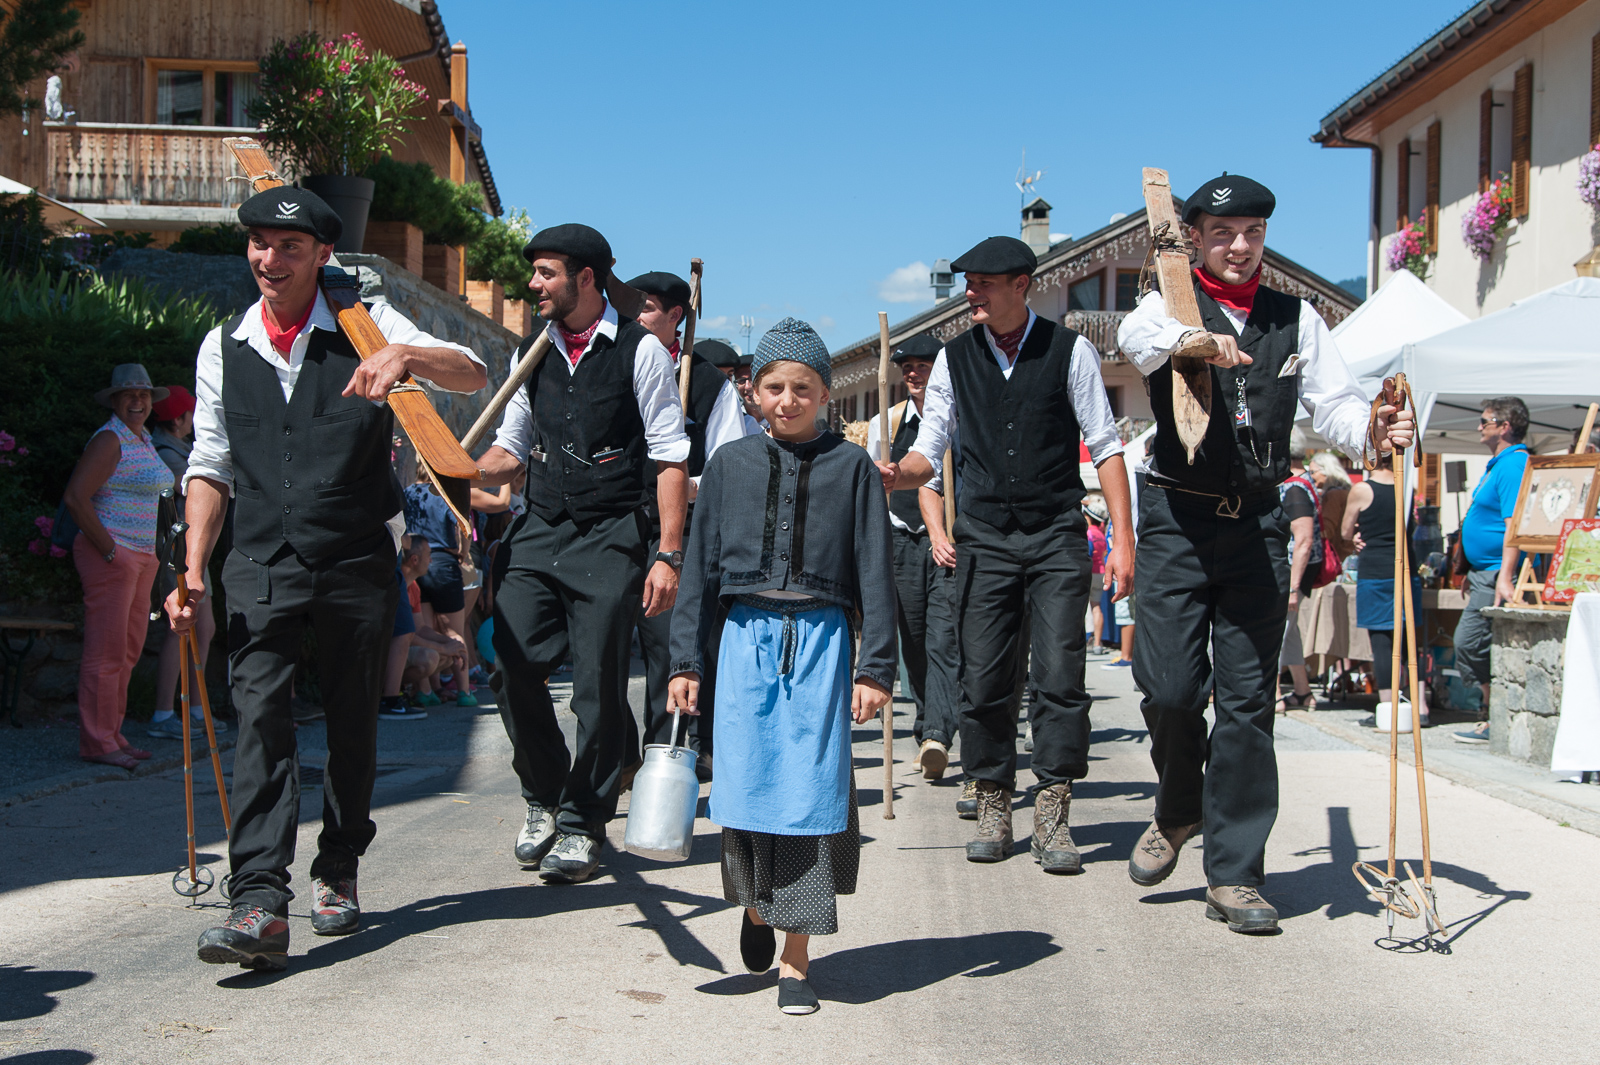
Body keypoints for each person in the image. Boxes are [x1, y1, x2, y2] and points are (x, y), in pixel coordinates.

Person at [166, 187, 486, 971]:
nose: (268, 261)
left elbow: (473, 371)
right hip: (260, 559)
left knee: (351, 723)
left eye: (287, 248)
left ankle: (338, 866)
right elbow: (210, 464)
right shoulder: (225, 345)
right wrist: (194, 567)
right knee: (262, 718)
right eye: (258, 246)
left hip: (351, 558)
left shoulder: (367, 327)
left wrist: (404, 355)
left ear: (319, 256)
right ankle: (259, 899)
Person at [1116, 173, 1413, 934]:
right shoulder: (1166, 301)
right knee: (1173, 688)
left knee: (1250, 703)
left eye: (1252, 232)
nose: (1241, 246)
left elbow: (1338, 405)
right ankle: (1180, 803)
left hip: (1257, 523)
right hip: (1177, 519)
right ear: (1193, 238)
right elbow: (1136, 339)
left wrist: (1375, 432)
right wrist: (1194, 338)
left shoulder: (1297, 317)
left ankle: (1236, 872)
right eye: (1223, 233)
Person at [880, 235, 1135, 874]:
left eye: (984, 283)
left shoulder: (1070, 351)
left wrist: (1125, 542)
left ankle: (1053, 809)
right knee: (986, 677)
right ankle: (994, 797)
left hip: (1054, 534)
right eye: (968, 282)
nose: (971, 293)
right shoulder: (953, 360)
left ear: (1021, 285)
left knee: (1057, 676)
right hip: (986, 538)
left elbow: (1105, 447)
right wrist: (893, 475)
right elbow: (928, 450)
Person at [667, 317, 895, 1016]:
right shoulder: (729, 467)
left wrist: (875, 669)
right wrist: (687, 660)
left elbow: (875, 570)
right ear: (753, 392)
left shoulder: (852, 468)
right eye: (774, 386)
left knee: (810, 794)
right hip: (743, 641)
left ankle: (797, 960)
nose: (788, 399)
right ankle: (757, 903)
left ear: (825, 393)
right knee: (745, 786)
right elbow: (698, 575)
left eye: (802, 387)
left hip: (822, 643)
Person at [476, 224, 690, 885]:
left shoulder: (641, 352)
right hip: (539, 525)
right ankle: (543, 793)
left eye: (546, 273)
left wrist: (668, 554)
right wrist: (454, 466)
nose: (533, 285)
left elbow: (669, 455)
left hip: (609, 530)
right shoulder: (531, 350)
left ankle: (582, 822)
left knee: (597, 688)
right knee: (510, 662)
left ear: (587, 278)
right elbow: (507, 454)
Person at [624, 273, 751, 782]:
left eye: (648, 308)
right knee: (605, 649)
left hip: (678, 530)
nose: (636, 316)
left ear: (677, 315)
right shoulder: (617, 361)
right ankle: (616, 756)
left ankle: (668, 753)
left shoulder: (707, 383)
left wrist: (680, 486)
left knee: (666, 641)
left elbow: (728, 464)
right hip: (614, 522)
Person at [63, 364, 170, 769]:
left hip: (139, 557)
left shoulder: (140, 439)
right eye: (129, 395)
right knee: (106, 653)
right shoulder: (110, 439)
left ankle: (113, 735)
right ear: (114, 400)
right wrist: (111, 551)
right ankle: (97, 742)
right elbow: (76, 497)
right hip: (113, 556)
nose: (138, 401)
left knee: (126, 651)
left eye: (144, 394)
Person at [865, 334, 960, 780]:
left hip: (949, 542)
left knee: (944, 637)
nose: (914, 373)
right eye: (908, 367)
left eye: (924, 365)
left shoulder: (955, 419)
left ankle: (939, 731)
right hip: (900, 539)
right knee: (915, 639)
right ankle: (927, 725)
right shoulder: (884, 424)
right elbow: (868, 490)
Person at [145, 385, 226, 741]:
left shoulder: (167, 448)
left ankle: (192, 710)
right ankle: (166, 713)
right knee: (184, 631)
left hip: (187, 551)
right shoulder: (170, 453)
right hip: (181, 553)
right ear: (179, 419)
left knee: (200, 630)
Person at [1452, 396, 1531, 744]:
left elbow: (1514, 523)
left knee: (1469, 643)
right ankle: (1491, 713)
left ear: (1506, 426)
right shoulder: (1498, 464)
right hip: (1484, 571)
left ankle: (1493, 714)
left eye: (1485, 421)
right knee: (1474, 644)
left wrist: (1504, 576)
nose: (1479, 427)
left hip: (1498, 570)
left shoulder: (1514, 464)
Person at [1341, 464, 1427, 725]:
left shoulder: (1362, 489)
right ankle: (1420, 707)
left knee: (1382, 642)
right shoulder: (1407, 485)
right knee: (1410, 642)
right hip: (1406, 569)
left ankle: (1388, 710)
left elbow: (1345, 531)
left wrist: (1356, 537)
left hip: (1376, 571)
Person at [403, 471, 476, 707]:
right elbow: (465, 523)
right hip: (444, 562)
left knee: (424, 627)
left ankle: (429, 690)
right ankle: (464, 691)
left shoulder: (408, 493)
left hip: (415, 561)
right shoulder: (444, 493)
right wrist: (463, 553)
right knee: (455, 631)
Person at [380, 535, 466, 720]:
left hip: (399, 649)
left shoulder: (414, 587)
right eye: (428, 555)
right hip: (383, 652)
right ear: (414, 559)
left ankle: (394, 689)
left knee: (446, 656)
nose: (431, 560)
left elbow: (419, 628)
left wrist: (451, 642)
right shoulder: (397, 582)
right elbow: (406, 635)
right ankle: (388, 693)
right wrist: (443, 647)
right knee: (431, 656)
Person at [1277, 430, 1320, 711]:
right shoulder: (1301, 482)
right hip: (1296, 570)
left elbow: (1303, 540)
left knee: (1277, 632)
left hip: (1293, 571)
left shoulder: (1294, 487)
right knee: (1289, 632)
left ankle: (1274, 694)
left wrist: (1292, 587)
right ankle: (1303, 692)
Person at [1308, 451, 1354, 558]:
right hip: (1346, 553)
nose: (1310, 476)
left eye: (1312, 472)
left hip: (1337, 556)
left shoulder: (1334, 495)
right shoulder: (1346, 491)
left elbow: (1327, 530)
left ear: (1326, 471)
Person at [1083, 495, 1109, 655]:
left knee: (1081, 608)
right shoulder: (1101, 534)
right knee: (1096, 608)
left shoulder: (1087, 534)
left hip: (1089, 573)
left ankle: (1083, 641)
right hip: (1100, 572)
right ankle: (1098, 644)